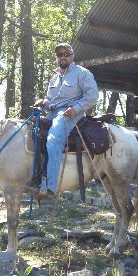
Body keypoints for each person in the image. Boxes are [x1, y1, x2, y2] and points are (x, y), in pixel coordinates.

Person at [29, 43, 99, 199]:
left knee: (53, 139)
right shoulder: (54, 78)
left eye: (66, 54)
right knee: (33, 132)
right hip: (53, 113)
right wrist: (43, 102)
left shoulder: (82, 73)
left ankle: (49, 187)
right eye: (59, 55)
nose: (63, 57)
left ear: (72, 56)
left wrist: (76, 108)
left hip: (71, 113)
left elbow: (93, 95)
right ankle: (34, 177)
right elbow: (50, 101)